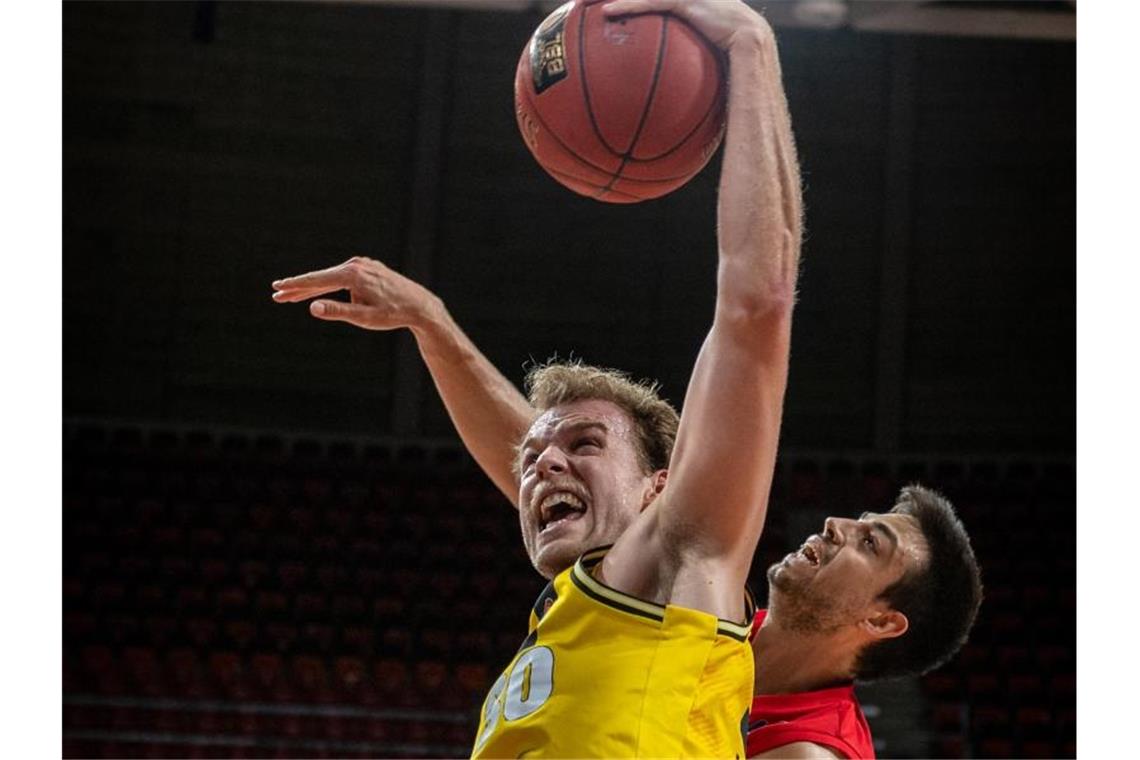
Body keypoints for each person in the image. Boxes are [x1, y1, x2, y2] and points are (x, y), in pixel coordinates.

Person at [272, 3, 982, 759]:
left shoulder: (685, 557)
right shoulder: (605, 600)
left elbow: (755, 307)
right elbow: (537, 453)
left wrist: (749, 44)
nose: (543, 464)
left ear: (661, 488)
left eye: (584, 443)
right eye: (541, 458)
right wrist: (435, 328)